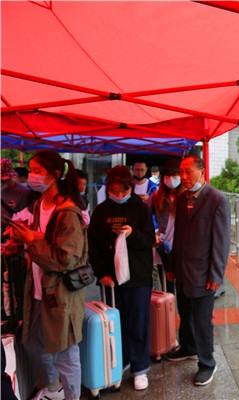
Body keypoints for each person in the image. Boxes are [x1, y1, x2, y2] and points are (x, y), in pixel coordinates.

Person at [9, 150, 88, 400]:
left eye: (37, 171)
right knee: (33, 344)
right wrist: (20, 240)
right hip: (37, 288)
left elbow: (65, 258)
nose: (31, 175)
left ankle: (72, 396)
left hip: (60, 292)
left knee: (65, 353)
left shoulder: (69, 212)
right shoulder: (38, 204)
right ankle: (54, 390)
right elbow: (40, 238)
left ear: (53, 175)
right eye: (31, 170)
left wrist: (30, 241)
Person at [87, 165, 155, 391]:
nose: (118, 195)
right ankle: (121, 360)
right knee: (115, 322)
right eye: (113, 191)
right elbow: (93, 245)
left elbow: (149, 240)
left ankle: (140, 368)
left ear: (130, 188)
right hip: (110, 278)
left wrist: (132, 234)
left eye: (123, 191)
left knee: (138, 322)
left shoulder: (141, 208)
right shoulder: (101, 211)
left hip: (137, 276)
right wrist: (101, 273)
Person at [165, 155, 230, 387]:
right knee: (185, 312)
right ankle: (188, 347)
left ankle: (207, 363)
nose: (183, 177)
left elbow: (221, 241)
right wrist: (172, 264)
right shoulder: (182, 199)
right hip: (182, 270)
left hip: (203, 272)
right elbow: (178, 235)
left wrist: (216, 274)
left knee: (203, 320)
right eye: (180, 172)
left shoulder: (217, 199)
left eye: (188, 172)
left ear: (201, 172)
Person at [146, 158, 184, 294]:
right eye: (168, 175)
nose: (171, 178)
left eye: (175, 174)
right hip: (163, 245)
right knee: (167, 286)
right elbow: (144, 216)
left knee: (183, 287)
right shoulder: (156, 196)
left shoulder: (187, 197)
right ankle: (168, 307)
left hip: (182, 247)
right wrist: (152, 235)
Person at [1, 158, 28, 233]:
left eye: (2, 181)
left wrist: (8, 223)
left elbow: (27, 220)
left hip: (11, 233)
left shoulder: (24, 193)